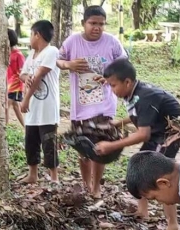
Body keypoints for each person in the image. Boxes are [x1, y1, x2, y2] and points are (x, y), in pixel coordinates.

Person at [95, 58, 180, 230]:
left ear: (127, 82)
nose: (112, 90)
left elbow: (143, 134)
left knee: (161, 175)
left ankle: (174, 228)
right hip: (157, 132)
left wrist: (111, 145)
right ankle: (143, 210)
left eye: (113, 85)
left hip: (168, 135)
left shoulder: (145, 96)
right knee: (141, 166)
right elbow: (139, 114)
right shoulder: (134, 93)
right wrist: (119, 122)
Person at [57, 5, 127, 198]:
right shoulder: (73, 42)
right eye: (93, 23)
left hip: (105, 105)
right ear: (83, 23)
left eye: (101, 24)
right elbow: (59, 60)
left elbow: (124, 64)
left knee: (101, 148)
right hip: (80, 106)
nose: (97, 28)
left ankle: (96, 187)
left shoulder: (112, 42)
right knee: (84, 148)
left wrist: (111, 77)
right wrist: (69, 64)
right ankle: (86, 184)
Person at [20, 20, 61, 184]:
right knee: (31, 142)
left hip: (47, 108)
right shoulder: (31, 54)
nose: (30, 38)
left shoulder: (51, 51)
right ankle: (33, 175)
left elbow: (39, 75)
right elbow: (23, 75)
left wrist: (25, 99)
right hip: (33, 110)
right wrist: (26, 77)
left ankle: (54, 178)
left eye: (31, 34)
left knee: (49, 143)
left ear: (37, 35)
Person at [6, 29, 26, 128]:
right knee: (15, 106)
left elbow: (23, 71)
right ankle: (25, 128)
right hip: (9, 84)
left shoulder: (18, 55)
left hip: (16, 86)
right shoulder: (8, 53)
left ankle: (4, 129)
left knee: (6, 106)